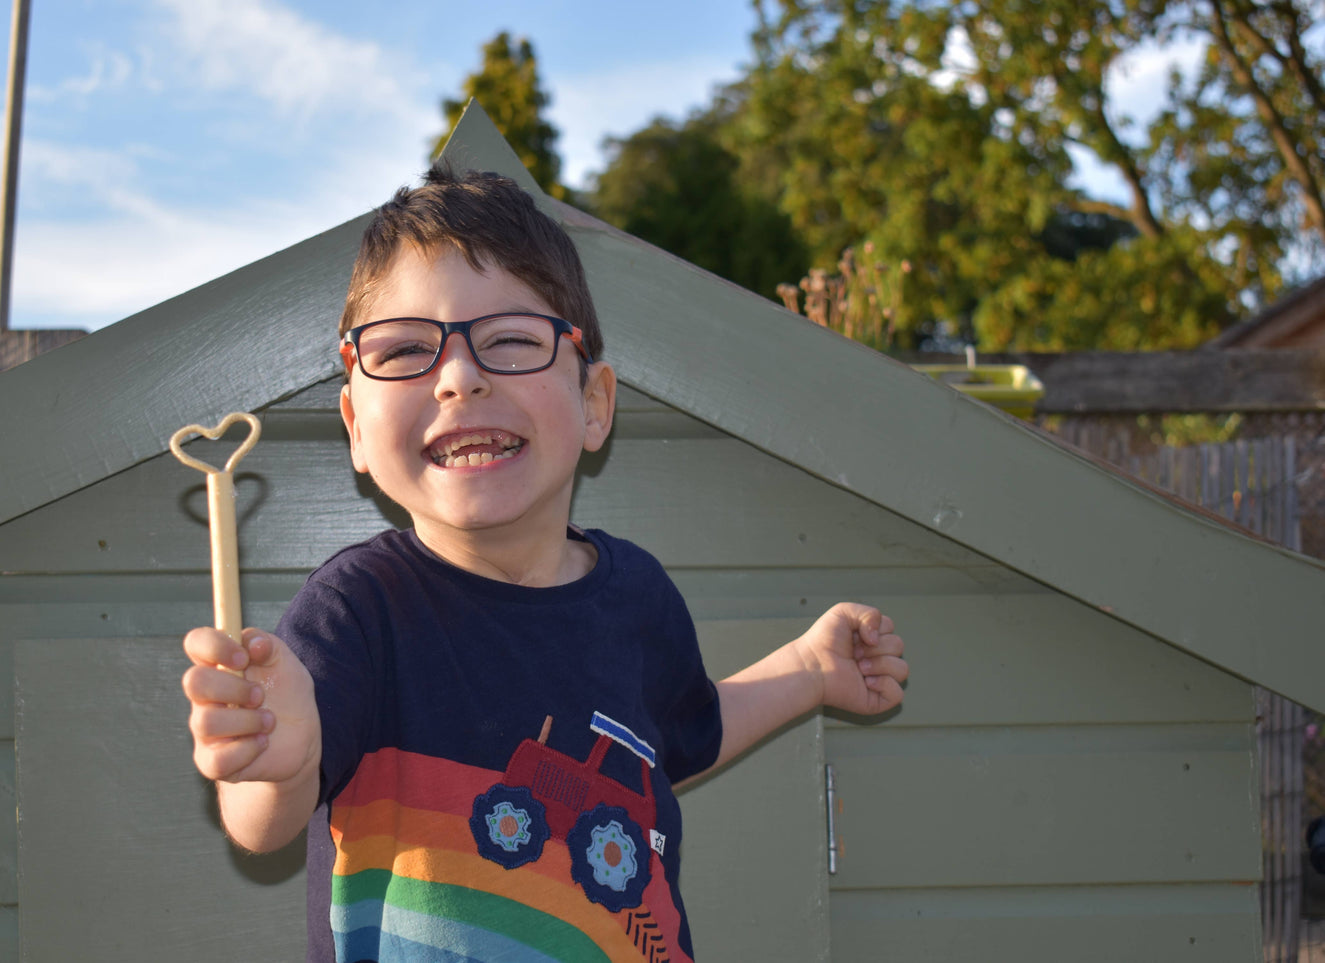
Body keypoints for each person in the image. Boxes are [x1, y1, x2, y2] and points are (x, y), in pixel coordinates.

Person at [181, 166, 908, 963]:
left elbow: (680, 736)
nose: (460, 376)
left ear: (595, 403)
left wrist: (806, 668)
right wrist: (270, 766)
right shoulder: (357, 611)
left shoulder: (638, 594)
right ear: (355, 425)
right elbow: (262, 824)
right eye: (406, 350)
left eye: (512, 341)